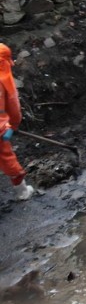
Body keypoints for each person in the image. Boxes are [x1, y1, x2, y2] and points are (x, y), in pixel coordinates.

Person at [0, 44, 34, 201]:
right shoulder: (3, 79)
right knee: (6, 158)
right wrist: (10, 126)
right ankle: (22, 192)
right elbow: (13, 106)